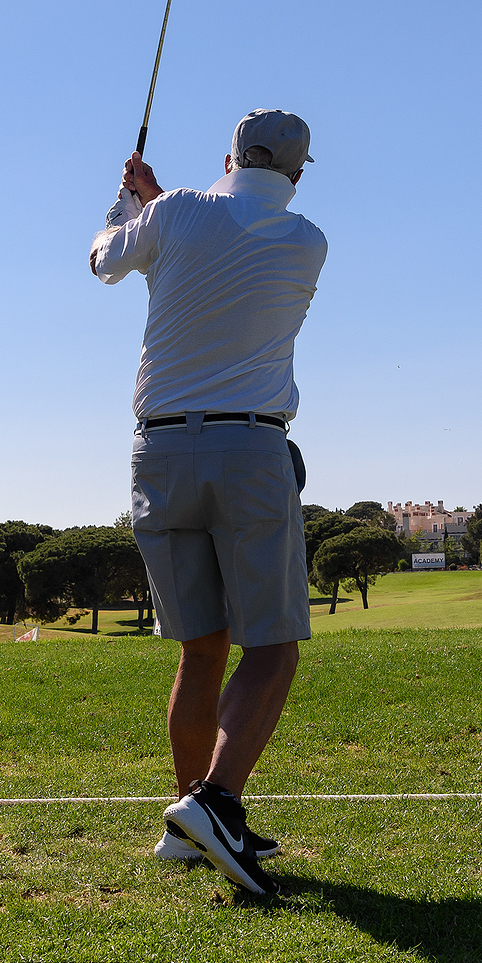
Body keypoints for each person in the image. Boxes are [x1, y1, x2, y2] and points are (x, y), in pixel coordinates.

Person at [89, 108, 327, 893]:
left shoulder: (177, 209)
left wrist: (131, 207)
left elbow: (103, 263)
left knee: (202, 646)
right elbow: (222, 234)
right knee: (273, 643)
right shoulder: (305, 240)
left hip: (158, 453)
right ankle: (216, 805)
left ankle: (191, 823)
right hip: (250, 449)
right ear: (296, 172)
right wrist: (157, 206)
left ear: (229, 154)